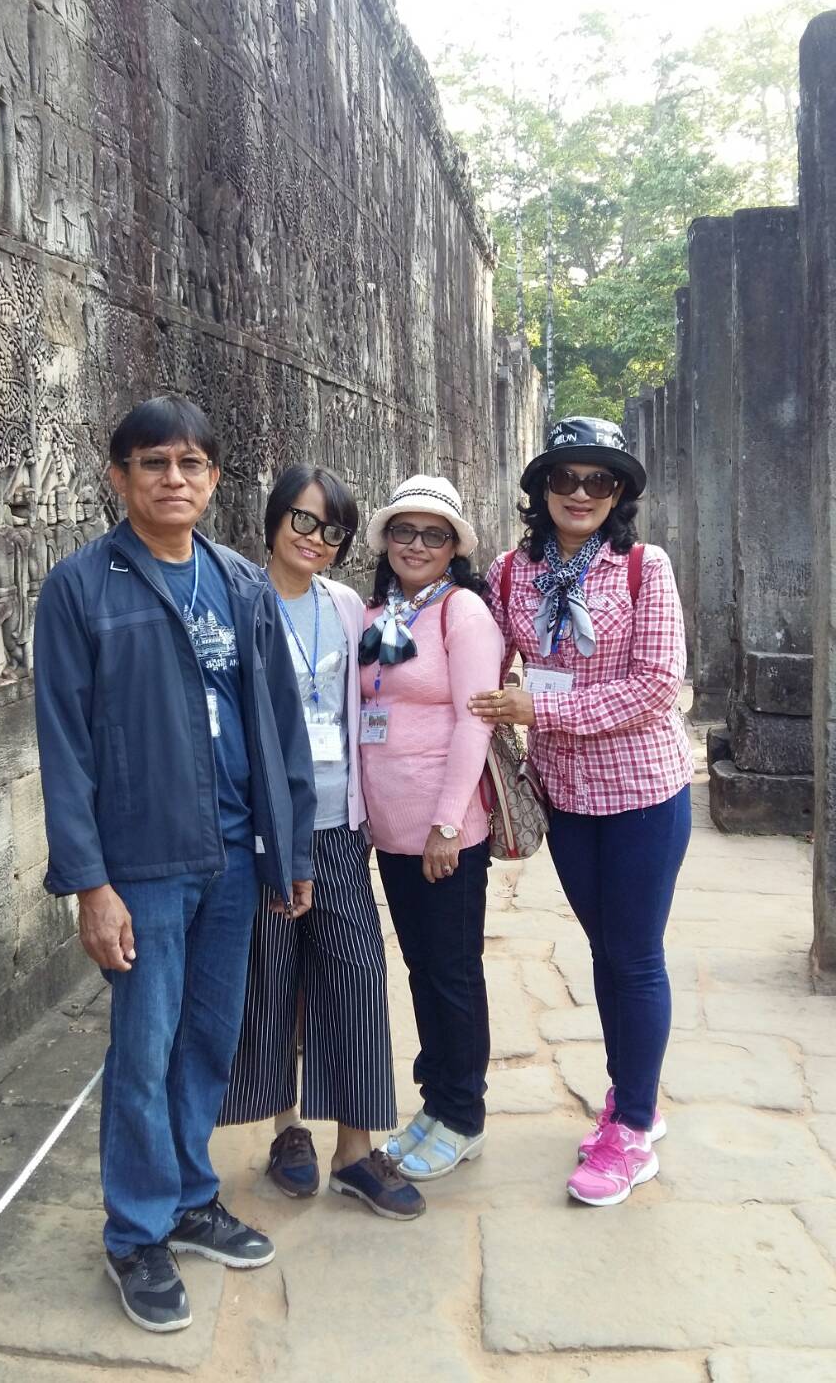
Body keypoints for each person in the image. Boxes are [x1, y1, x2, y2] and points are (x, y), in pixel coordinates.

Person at [33, 396, 317, 1334]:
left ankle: (191, 1195)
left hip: (234, 852)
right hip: (143, 862)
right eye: (153, 463)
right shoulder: (83, 587)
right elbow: (64, 744)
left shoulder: (239, 583)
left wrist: (291, 847)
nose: (173, 479)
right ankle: (136, 1232)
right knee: (143, 1050)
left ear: (214, 479)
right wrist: (90, 884)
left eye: (191, 463)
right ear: (119, 477)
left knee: (207, 1041)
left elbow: (280, 724)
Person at [469, 417, 694, 1208]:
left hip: (643, 793)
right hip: (565, 795)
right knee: (605, 950)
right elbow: (476, 651)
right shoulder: (510, 573)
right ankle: (633, 1095)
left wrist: (542, 708)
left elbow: (657, 686)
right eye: (565, 477)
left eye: (599, 480)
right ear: (541, 488)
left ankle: (631, 1129)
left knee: (634, 956)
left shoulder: (642, 568)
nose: (580, 492)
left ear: (619, 492)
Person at [220, 465, 423, 1220]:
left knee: (356, 974)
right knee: (273, 977)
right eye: (303, 520)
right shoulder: (239, 599)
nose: (315, 539)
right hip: (266, 828)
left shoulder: (343, 606)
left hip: (337, 820)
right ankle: (286, 1131)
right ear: (275, 518)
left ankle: (355, 1150)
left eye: (332, 529)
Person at [358, 475, 503, 1182]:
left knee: (452, 972)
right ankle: (435, 1100)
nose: (416, 545)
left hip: (445, 831)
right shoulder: (379, 614)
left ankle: (463, 1114)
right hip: (390, 830)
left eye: (433, 535)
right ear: (386, 540)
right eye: (404, 531)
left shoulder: (462, 613)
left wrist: (447, 822)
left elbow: (477, 720)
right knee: (421, 968)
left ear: (453, 549)